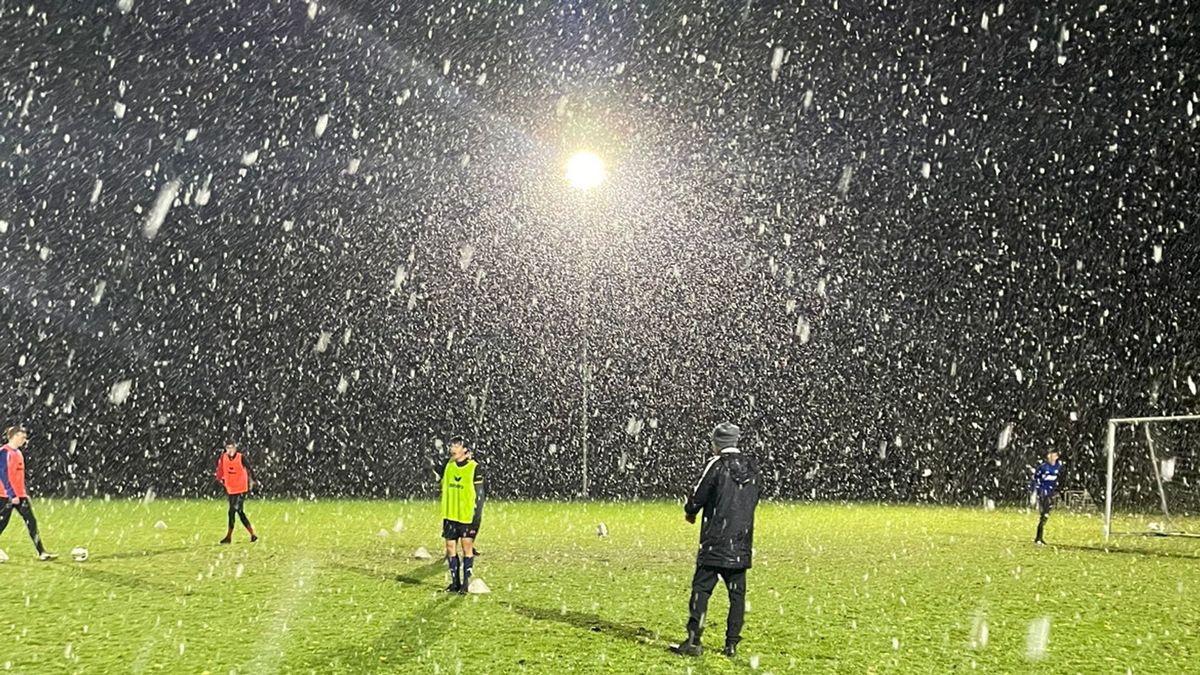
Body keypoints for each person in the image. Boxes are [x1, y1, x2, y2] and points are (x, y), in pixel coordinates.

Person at [671, 422, 760, 659]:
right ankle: (731, 645)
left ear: (717, 443)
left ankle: (693, 641)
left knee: (701, 590)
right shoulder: (752, 467)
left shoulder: (716, 464)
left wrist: (690, 511)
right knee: (737, 596)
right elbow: (753, 499)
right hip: (740, 543)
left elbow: (698, 495)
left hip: (715, 542)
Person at [0, 425, 57, 560]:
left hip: (20, 496)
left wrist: (23, 493)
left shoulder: (18, 453)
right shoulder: (4, 452)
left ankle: (41, 552)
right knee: (2, 524)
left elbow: (17, 477)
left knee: (31, 522)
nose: (25, 440)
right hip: (5, 496)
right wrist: (11, 494)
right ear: (13, 436)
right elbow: (2, 474)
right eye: (22, 437)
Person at [439, 436, 484, 594]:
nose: (453, 449)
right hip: (450, 514)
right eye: (451, 445)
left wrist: (476, 515)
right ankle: (455, 583)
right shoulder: (448, 465)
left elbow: (480, 494)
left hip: (466, 516)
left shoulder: (474, 467)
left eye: (457, 445)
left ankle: (466, 584)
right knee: (451, 547)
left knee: (467, 548)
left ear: (465, 449)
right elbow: (433, 465)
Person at [215, 440, 257, 544]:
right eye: (228, 448)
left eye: (232, 448)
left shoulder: (240, 457)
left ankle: (229, 536)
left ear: (235, 448)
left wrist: (254, 481)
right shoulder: (223, 457)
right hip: (231, 488)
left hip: (241, 488)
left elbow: (250, 469)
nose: (230, 450)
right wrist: (219, 479)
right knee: (239, 512)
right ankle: (252, 534)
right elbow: (220, 469)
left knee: (232, 511)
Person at [1031, 449, 1062, 545]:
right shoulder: (1043, 467)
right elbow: (1036, 479)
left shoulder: (1058, 467)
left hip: (1051, 493)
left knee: (1046, 515)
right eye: (1050, 455)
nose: (1051, 457)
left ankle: (1039, 537)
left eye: (1053, 455)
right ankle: (1039, 537)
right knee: (1044, 514)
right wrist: (1036, 491)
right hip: (1043, 493)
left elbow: (1059, 478)